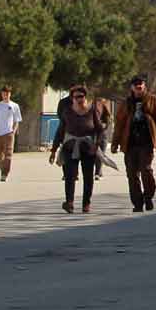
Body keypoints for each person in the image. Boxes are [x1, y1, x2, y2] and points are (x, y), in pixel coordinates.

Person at [50, 85, 106, 214]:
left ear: (85, 97)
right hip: (70, 147)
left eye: (81, 96)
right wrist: (53, 150)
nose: (79, 99)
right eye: (76, 97)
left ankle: (86, 203)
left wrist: (96, 145)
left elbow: (100, 130)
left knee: (88, 177)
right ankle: (69, 202)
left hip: (88, 148)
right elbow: (60, 131)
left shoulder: (92, 110)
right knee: (70, 176)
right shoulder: (67, 111)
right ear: (72, 98)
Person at [115, 75, 156, 212]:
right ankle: (137, 203)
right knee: (132, 174)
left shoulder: (152, 100)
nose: (138, 87)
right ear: (132, 87)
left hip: (146, 142)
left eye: (141, 85)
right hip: (130, 143)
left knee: (146, 170)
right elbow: (119, 123)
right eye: (136, 85)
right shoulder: (126, 103)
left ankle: (148, 197)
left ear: (144, 86)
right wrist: (115, 142)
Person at [0, 86, 22, 181]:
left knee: (8, 154)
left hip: (9, 134)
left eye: (7, 94)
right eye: (4, 94)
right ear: (1, 94)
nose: (5, 96)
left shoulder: (14, 106)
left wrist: (13, 131)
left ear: (10, 94)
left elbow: (17, 121)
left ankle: (4, 174)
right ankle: (3, 170)